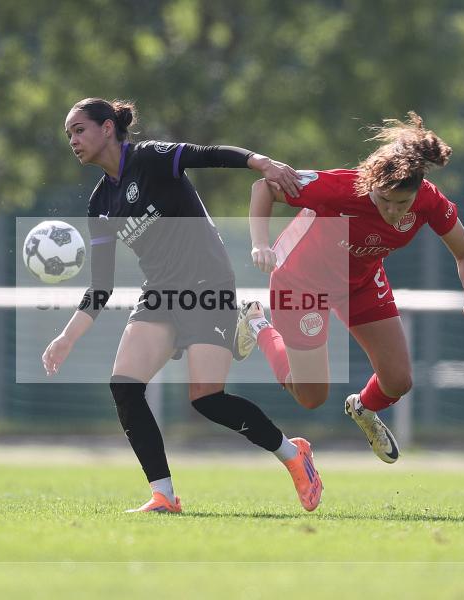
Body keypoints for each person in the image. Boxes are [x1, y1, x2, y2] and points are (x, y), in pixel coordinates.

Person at [42, 98, 323, 513]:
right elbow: (100, 285)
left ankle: (293, 455)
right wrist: (67, 337)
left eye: (79, 130)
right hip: (160, 292)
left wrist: (261, 163)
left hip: (207, 284)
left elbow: (207, 155)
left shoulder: (151, 157)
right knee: (124, 387)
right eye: (69, 134)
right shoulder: (100, 204)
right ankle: (164, 495)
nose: (73, 140)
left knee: (206, 398)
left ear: (106, 128)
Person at [235, 112, 464, 463]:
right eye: (384, 200)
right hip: (301, 281)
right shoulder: (341, 189)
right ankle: (256, 322)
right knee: (311, 396)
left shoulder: (429, 202)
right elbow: (262, 187)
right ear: (371, 183)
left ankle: (363, 409)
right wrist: (259, 244)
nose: (391, 211)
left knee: (399, 381)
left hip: (359, 282)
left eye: (401, 204)